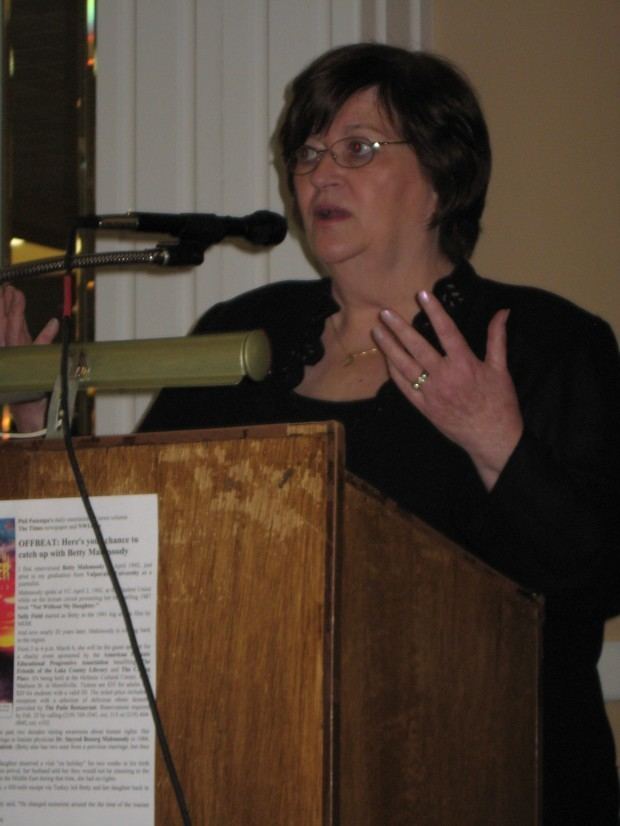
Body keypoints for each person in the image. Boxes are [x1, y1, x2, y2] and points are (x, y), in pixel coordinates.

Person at [4, 42, 620, 825]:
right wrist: (42, 428)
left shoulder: (538, 342)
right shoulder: (242, 335)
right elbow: (137, 540)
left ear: (444, 174)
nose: (319, 174)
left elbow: (598, 577)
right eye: (307, 152)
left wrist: (496, 439)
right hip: (252, 773)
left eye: (358, 149)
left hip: (489, 781)